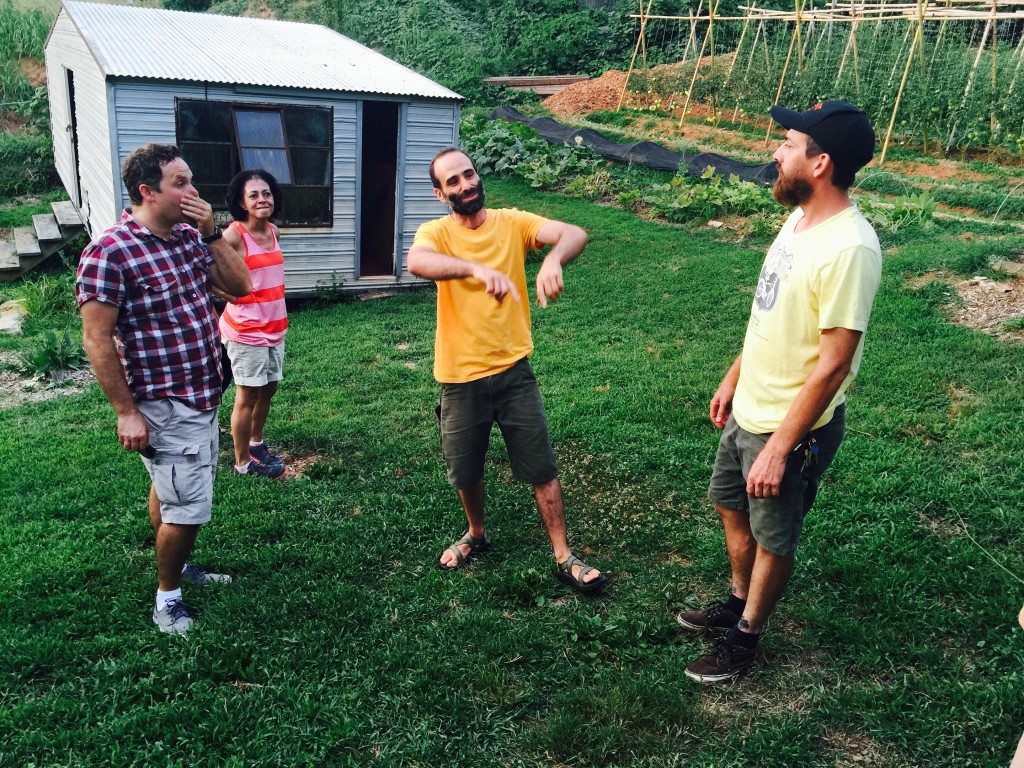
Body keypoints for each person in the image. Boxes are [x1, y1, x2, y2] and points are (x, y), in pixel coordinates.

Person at [675, 101, 882, 682]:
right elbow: (770, 312)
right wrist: (734, 375)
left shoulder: (850, 248)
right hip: (751, 404)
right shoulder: (798, 220)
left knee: (773, 534)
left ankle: (747, 637)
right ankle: (740, 600)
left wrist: (777, 447)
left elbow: (833, 366)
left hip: (789, 425)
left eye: (788, 143)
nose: (776, 152)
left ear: (820, 163)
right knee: (727, 501)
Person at [407, 147, 606, 594]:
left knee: (541, 466)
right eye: (453, 182)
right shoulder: (435, 232)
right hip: (459, 378)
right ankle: (476, 534)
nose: (466, 184)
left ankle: (562, 554)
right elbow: (417, 262)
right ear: (441, 194)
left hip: (514, 371)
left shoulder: (512, 222)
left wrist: (553, 259)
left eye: (469, 174)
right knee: (466, 469)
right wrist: (473, 268)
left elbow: (573, 232)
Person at [77, 143, 252, 635]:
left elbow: (241, 287)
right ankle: (167, 598)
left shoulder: (185, 238)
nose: (193, 192)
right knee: (189, 507)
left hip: (201, 393)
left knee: (169, 488)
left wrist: (213, 233)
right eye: (180, 183)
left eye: (192, 180)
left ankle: (178, 566)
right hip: (163, 402)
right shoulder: (110, 251)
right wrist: (125, 412)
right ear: (147, 192)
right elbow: (96, 338)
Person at [215, 170, 288, 480]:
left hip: (275, 327)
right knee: (248, 395)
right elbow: (207, 273)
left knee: (268, 389)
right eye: (254, 195)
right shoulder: (234, 236)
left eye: (267, 193)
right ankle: (243, 463)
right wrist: (231, 295)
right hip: (246, 332)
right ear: (242, 203)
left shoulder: (273, 231)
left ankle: (256, 443)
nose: (262, 199)